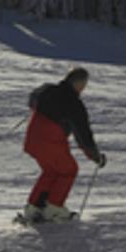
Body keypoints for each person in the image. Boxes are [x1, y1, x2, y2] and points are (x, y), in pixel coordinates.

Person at [21, 67, 106, 223]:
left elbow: (33, 98)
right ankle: (53, 209)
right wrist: (95, 157)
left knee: (51, 171)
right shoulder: (74, 104)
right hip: (50, 142)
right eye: (84, 85)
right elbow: (83, 136)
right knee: (69, 170)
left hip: (32, 140)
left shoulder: (46, 89)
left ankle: (34, 207)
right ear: (79, 84)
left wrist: (38, 107)